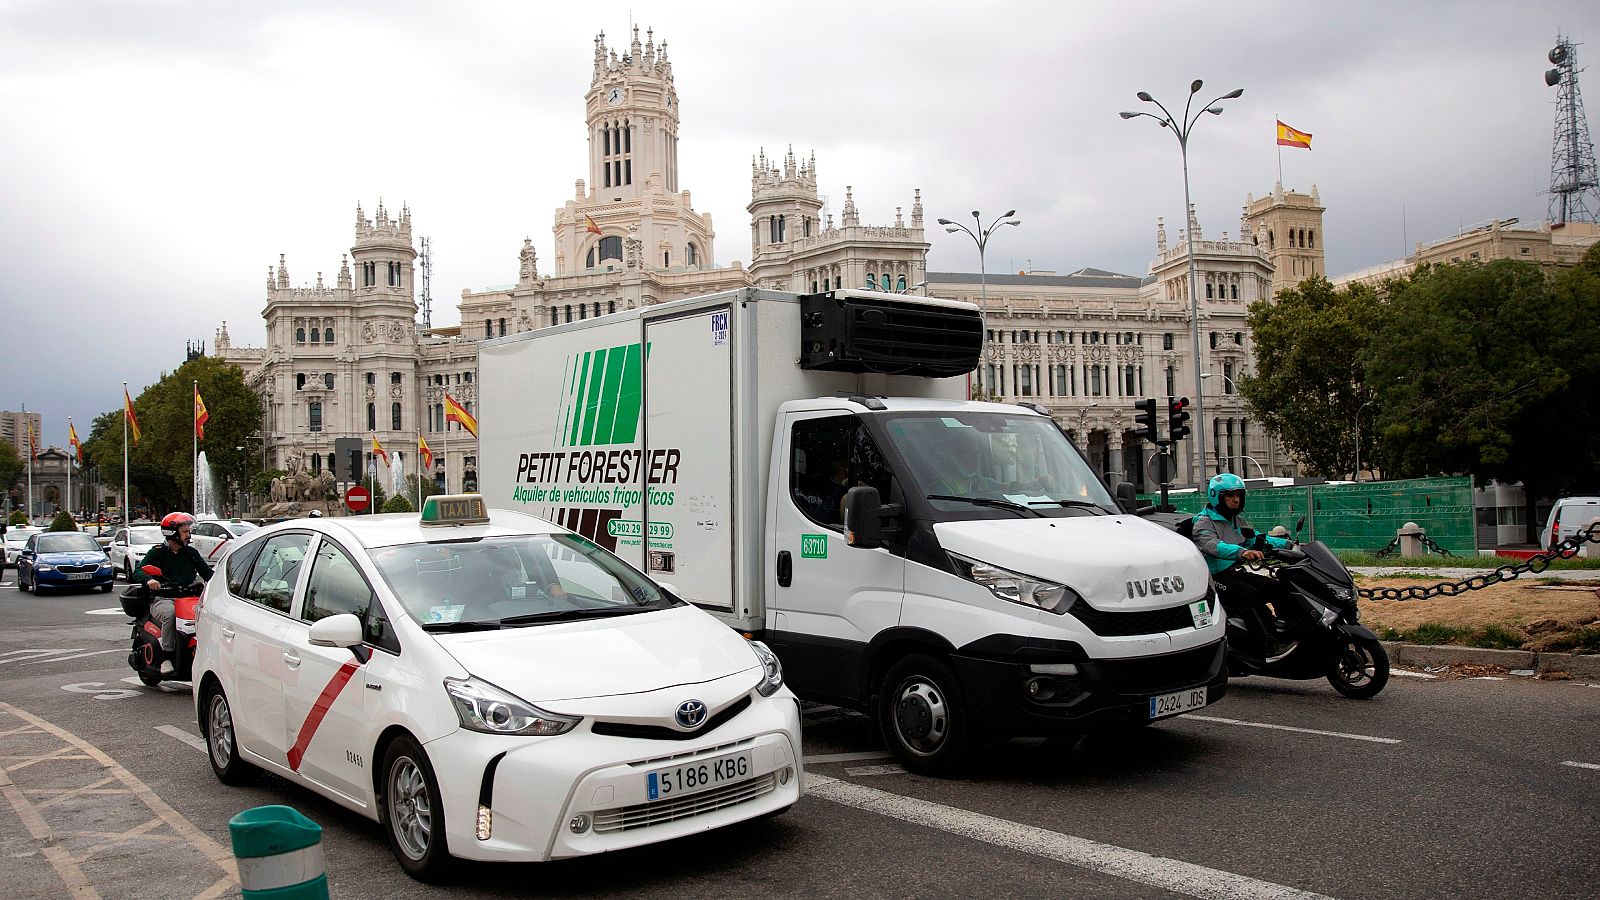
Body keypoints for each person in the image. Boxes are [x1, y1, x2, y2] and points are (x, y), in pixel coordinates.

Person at [1190, 474, 1297, 661]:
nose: (1236, 499)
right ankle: (1268, 644)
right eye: (1230, 495)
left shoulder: (1236, 521)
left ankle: (1287, 632)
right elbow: (1211, 545)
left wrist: (1288, 546)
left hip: (1234, 573)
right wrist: (1242, 552)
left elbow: (1256, 538)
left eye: (1239, 495)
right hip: (1214, 579)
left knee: (1277, 587)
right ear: (1217, 496)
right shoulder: (1203, 522)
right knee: (1249, 595)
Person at [140, 512, 214, 673]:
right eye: (185, 532)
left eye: (189, 531)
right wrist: (149, 580)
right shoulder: (157, 552)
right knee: (170, 614)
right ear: (173, 534)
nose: (189, 535)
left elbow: (207, 573)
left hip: (188, 599)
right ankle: (167, 657)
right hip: (164, 599)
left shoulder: (191, 553)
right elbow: (139, 570)